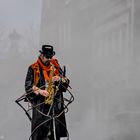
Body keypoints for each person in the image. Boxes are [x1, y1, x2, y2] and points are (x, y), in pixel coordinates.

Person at [25, 45, 70, 140]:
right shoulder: (33, 68)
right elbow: (28, 87)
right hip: (40, 106)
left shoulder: (56, 67)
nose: (49, 59)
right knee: (40, 134)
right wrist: (40, 91)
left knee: (54, 133)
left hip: (55, 106)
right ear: (41, 55)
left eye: (51, 57)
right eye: (47, 57)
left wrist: (60, 79)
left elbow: (65, 84)